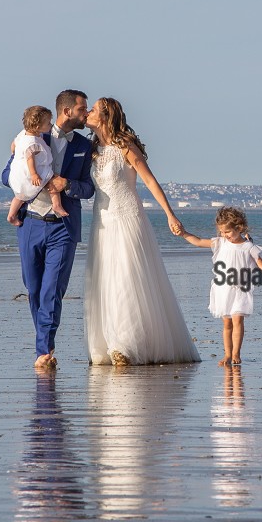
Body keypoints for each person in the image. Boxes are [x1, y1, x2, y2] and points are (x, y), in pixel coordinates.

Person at [83, 97, 200, 366]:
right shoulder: (92, 149)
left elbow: (148, 180)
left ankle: (126, 344)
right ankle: (108, 342)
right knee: (105, 279)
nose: (88, 113)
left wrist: (170, 214)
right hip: (102, 221)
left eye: (93, 109)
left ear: (105, 115)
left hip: (128, 217)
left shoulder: (125, 145)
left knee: (127, 277)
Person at [18, 89, 96, 371]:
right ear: (67, 112)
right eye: (82, 109)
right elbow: (7, 176)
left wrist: (69, 186)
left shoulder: (85, 147)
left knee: (52, 289)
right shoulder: (34, 137)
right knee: (34, 288)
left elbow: (89, 188)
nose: (86, 114)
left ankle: (44, 349)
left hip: (64, 226)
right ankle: (45, 342)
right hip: (30, 223)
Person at [179, 207, 262, 366]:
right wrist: (183, 233)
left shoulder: (248, 247)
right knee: (227, 323)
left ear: (239, 228)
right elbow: (197, 241)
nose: (225, 235)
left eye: (228, 232)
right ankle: (227, 354)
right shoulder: (220, 243)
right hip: (223, 289)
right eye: (222, 232)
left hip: (240, 289)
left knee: (238, 320)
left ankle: (236, 353)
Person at [6, 105, 68, 226]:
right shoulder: (32, 142)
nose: (51, 125)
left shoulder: (23, 134)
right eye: (48, 123)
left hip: (19, 172)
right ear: (38, 127)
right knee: (53, 181)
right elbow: (30, 158)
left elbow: (13, 145)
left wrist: (16, 153)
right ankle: (56, 205)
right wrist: (34, 174)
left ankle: (11, 215)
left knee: (20, 195)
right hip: (32, 171)